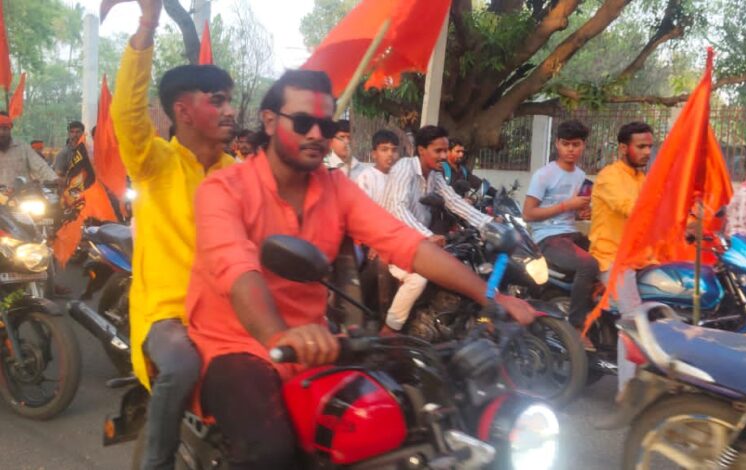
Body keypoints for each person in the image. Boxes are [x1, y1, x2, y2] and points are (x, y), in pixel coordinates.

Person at [186, 70, 536, 469]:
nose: (316, 134)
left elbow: (405, 243)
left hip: (317, 342)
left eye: (326, 125)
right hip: (236, 345)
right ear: (269, 121)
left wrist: (491, 296)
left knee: (408, 411)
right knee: (270, 453)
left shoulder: (335, 187)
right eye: (302, 122)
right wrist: (278, 334)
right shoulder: (223, 189)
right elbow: (237, 269)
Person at [110, 1, 236, 468]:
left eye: (229, 100)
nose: (230, 110)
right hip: (168, 316)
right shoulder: (155, 163)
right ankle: (157, 462)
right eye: (217, 101)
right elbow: (127, 113)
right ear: (183, 111)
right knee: (182, 365)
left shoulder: (239, 173)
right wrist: (147, 25)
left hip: (230, 312)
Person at [380, 125, 495, 334]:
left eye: (445, 150)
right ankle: (390, 330)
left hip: (417, 242)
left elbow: (453, 201)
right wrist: (427, 235)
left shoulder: (435, 175)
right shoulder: (405, 168)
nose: (443, 156)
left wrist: (489, 224)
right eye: (438, 151)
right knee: (417, 279)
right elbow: (397, 208)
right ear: (421, 150)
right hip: (393, 240)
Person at [590, 121, 654, 389]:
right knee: (634, 320)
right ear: (623, 148)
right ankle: (626, 391)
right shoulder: (609, 176)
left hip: (640, 256)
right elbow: (632, 209)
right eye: (641, 146)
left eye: (650, 146)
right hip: (612, 258)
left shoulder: (641, 178)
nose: (647, 152)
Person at [522, 119, 599, 338]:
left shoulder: (581, 176)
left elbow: (573, 211)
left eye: (576, 144)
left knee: (608, 256)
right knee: (588, 264)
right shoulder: (544, 175)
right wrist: (567, 205)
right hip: (547, 237)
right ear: (557, 143)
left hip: (571, 234)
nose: (571, 149)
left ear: (583, 145)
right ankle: (576, 329)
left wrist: (582, 213)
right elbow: (528, 214)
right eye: (566, 144)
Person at [0, 112, 58, 188]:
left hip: (21, 193)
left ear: (10, 129)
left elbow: (40, 166)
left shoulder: (23, 148)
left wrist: (55, 179)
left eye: (5, 128)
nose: (1, 133)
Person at [353, 129, 399, 202]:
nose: (390, 154)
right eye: (384, 149)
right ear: (374, 154)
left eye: (394, 150)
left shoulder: (401, 178)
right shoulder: (366, 178)